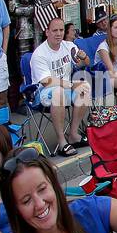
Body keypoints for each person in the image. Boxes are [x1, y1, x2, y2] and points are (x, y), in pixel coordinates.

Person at [28, 17, 92, 157]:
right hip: (43, 93)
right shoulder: (40, 53)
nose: (58, 33)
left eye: (61, 30)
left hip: (66, 88)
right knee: (59, 92)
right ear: (47, 32)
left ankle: (73, 134)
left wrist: (84, 56)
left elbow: (85, 63)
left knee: (85, 87)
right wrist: (71, 85)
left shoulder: (68, 46)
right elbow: (46, 81)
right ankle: (62, 142)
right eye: (54, 30)